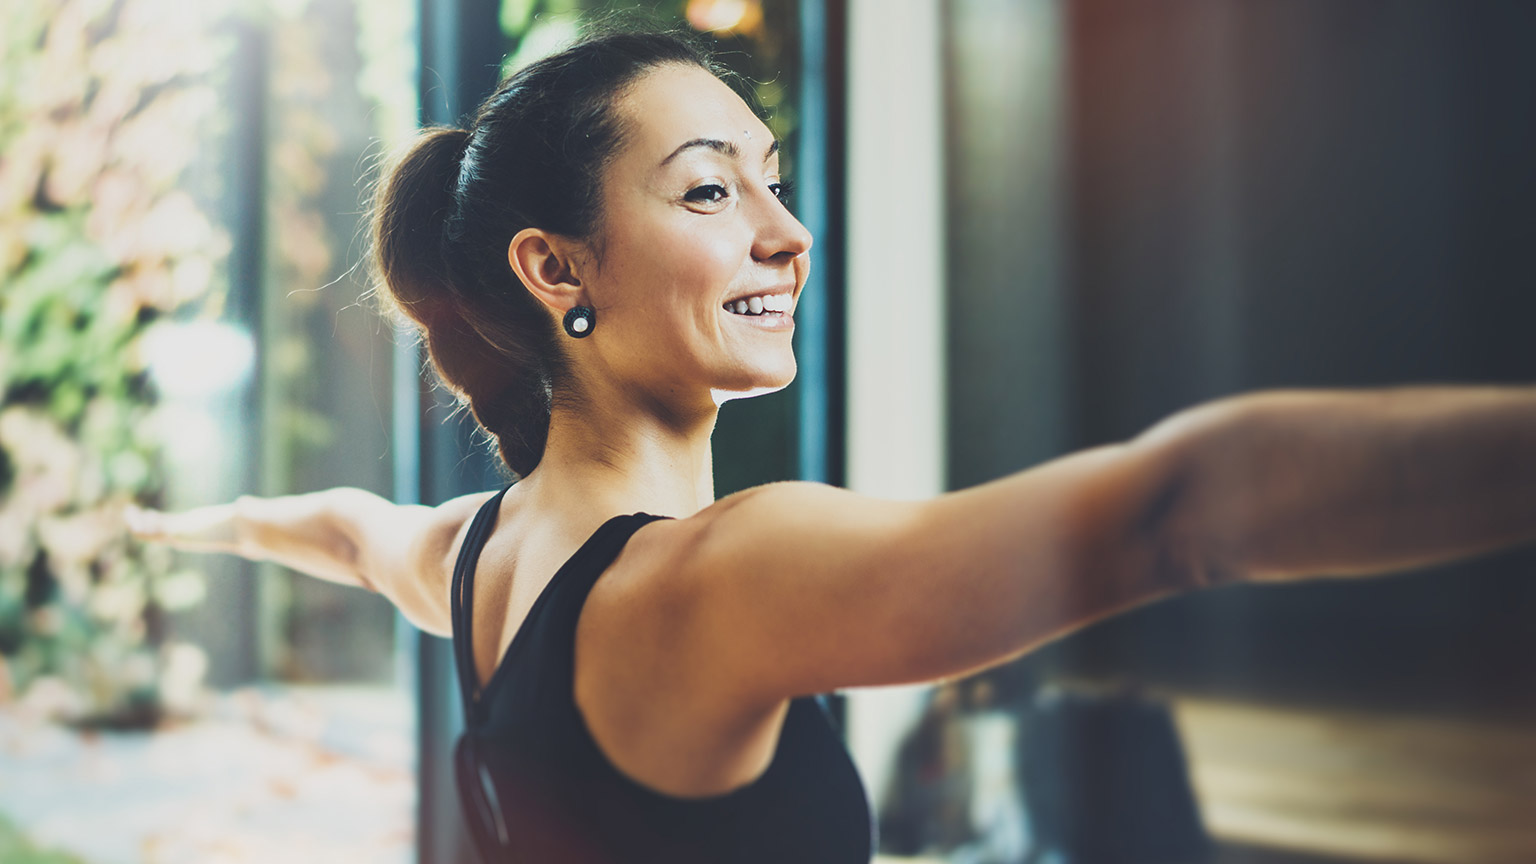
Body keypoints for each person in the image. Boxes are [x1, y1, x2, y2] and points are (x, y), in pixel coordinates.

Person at [127, 28, 1536, 864]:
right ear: (559, 271)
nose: (785, 237)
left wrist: (196, 525)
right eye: (706, 192)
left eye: (774, 183)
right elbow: (1177, 514)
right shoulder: (709, 584)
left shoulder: (474, 556)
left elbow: (338, 527)